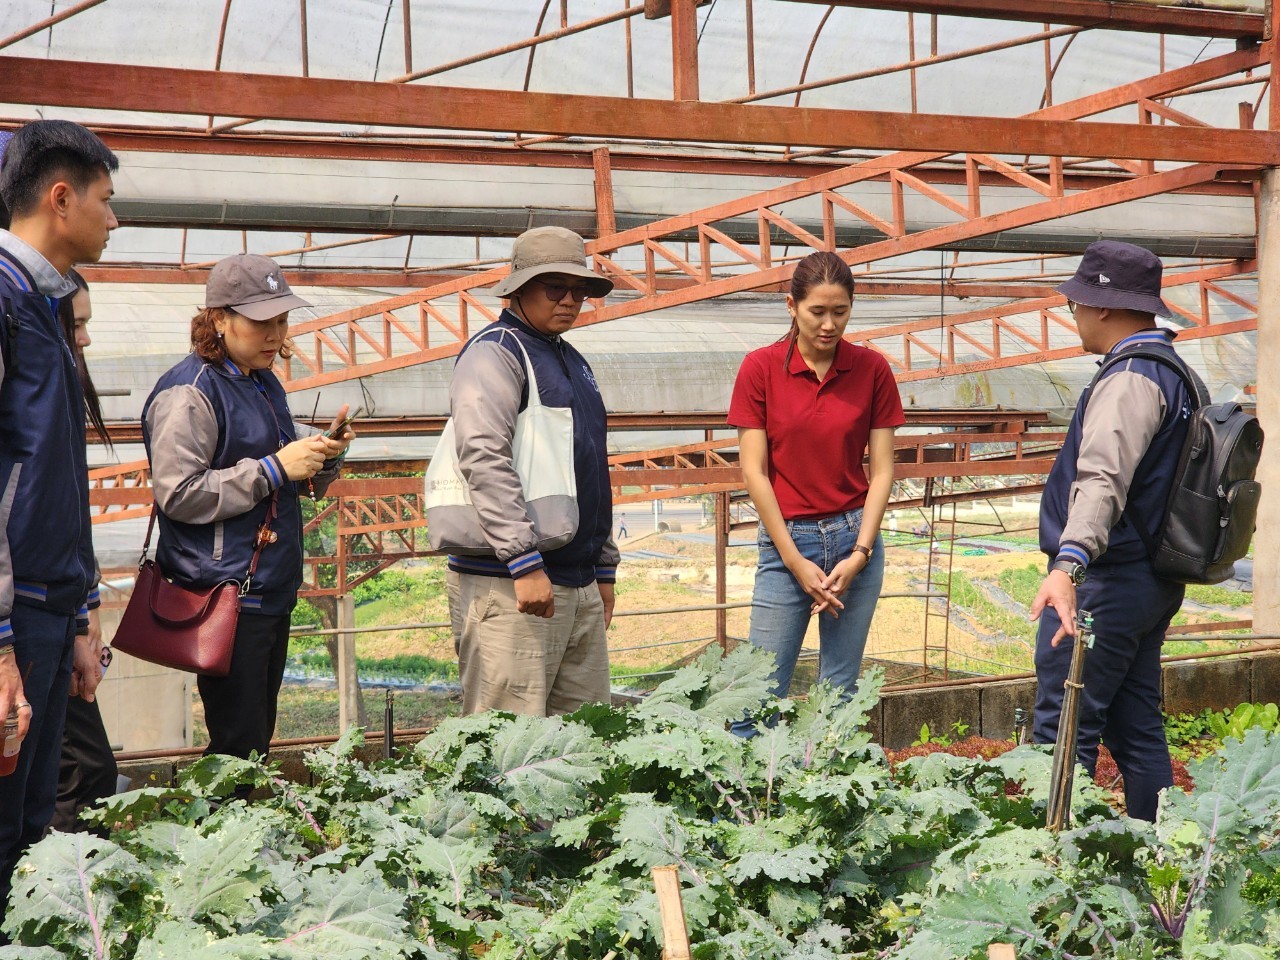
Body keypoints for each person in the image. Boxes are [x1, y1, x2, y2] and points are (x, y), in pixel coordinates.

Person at [141, 255, 353, 761]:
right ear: (219, 319)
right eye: (262, 322)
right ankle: (222, 817)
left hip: (266, 588)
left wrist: (322, 457)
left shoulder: (261, 381)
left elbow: (284, 479)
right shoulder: (190, 393)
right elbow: (178, 493)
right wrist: (274, 468)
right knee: (237, 749)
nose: (275, 335)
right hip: (225, 594)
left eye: (282, 320)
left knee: (253, 743)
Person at [1030, 240, 1193, 823]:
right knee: (1136, 728)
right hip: (1149, 581)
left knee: (1063, 730)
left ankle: (1052, 862)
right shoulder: (1175, 372)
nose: (1074, 314)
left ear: (1101, 305)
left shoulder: (1129, 379)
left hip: (1106, 583)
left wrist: (1067, 565)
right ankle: (1158, 855)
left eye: (1075, 304)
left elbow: (1102, 481)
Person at [0, 120, 116, 931]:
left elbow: (55, 479)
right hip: (15, 618)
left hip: (47, 610)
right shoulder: (8, 301)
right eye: (105, 200)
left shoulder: (42, 305)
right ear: (61, 197)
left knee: (32, 825)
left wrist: (77, 616)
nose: (114, 218)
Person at [727, 251, 904, 733]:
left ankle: (823, 782)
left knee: (839, 695)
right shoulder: (760, 368)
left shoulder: (871, 369)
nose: (829, 325)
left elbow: (882, 471)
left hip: (855, 540)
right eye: (817, 312)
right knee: (756, 694)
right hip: (788, 541)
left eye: (840, 312)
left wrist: (861, 553)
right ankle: (748, 786)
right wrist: (793, 560)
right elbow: (754, 473)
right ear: (792, 306)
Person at [446, 225, 618, 717]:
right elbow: (484, 456)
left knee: (583, 741)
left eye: (579, 290)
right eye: (555, 287)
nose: (570, 300)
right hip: (512, 584)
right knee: (507, 741)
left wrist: (603, 566)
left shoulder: (571, 360)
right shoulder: (497, 351)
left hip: (575, 582)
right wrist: (523, 561)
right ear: (519, 288)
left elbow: (590, 468)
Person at [51, 270, 118, 833]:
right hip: (35, 609)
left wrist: (87, 607)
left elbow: (73, 510)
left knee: (79, 769)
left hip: (60, 603)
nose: (86, 339)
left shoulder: (64, 396)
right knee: (83, 771)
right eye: (77, 325)